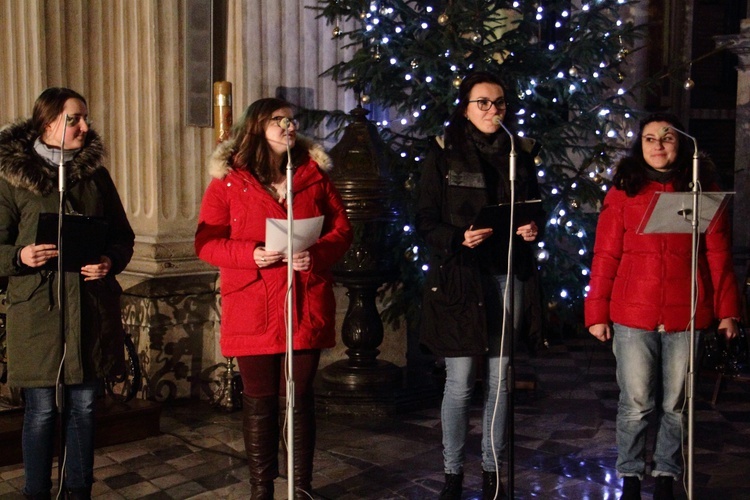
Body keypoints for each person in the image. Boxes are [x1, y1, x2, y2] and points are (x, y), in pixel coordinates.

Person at [194, 97, 352, 499]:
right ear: (256, 128)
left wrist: (314, 255)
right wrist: (249, 254)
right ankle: (261, 489)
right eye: (278, 121)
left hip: (304, 299)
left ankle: (301, 488)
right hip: (253, 302)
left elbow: (341, 230)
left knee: (299, 399)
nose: (288, 127)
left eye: (291, 120)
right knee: (259, 400)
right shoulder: (229, 180)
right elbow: (206, 241)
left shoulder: (314, 174)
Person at [585, 112, 740, 500]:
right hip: (633, 313)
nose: (657, 145)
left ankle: (667, 474)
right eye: (649, 138)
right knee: (636, 402)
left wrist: (728, 311)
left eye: (666, 138)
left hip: (686, 313)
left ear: (680, 144)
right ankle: (631, 477)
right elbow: (605, 254)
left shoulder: (702, 191)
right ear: (640, 146)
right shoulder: (624, 191)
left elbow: (718, 255)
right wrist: (596, 312)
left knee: (676, 403)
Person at [0, 87, 135, 499]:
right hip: (38, 312)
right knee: (40, 412)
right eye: (74, 119)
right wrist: (21, 256)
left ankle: (78, 491)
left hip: (88, 311)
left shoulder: (95, 177)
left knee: (84, 407)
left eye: (84, 118)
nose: (84, 127)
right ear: (48, 124)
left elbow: (122, 236)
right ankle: (36, 492)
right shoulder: (12, 179)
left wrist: (109, 261)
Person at [415, 71, 543, 500]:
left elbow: (537, 207)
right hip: (461, 278)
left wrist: (531, 228)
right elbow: (425, 221)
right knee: (461, 380)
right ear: (465, 108)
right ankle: (453, 474)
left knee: (500, 378)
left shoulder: (520, 153)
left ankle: (492, 470)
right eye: (483, 103)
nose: (493, 110)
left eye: (500, 103)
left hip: (507, 272)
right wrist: (457, 238)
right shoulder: (441, 154)